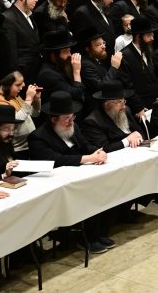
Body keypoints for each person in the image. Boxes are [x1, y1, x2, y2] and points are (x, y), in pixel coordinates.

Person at [28, 91, 113, 253]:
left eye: (72, 117)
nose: (71, 121)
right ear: (54, 119)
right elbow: (54, 160)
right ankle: (85, 237)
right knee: (88, 193)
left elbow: (85, 145)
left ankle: (96, 234)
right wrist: (87, 159)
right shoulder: (38, 137)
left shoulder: (73, 127)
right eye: (66, 118)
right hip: (56, 182)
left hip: (79, 175)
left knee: (102, 187)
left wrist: (97, 152)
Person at [82, 81, 145, 152]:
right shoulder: (93, 122)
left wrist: (138, 139)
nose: (124, 106)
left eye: (124, 101)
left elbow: (139, 132)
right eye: (120, 102)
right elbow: (102, 149)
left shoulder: (126, 110)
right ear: (107, 104)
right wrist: (127, 140)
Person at [0, 72, 41, 157]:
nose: (22, 87)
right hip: (18, 149)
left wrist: (36, 99)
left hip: (29, 145)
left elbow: (35, 114)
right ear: (7, 85)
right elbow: (17, 119)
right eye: (18, 85)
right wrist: (28, 99)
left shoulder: (15, 96)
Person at [0, 105, 22, 186]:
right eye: (6, 129)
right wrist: (4, 174)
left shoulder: (5, 143)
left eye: (13, 129)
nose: (11, 134)